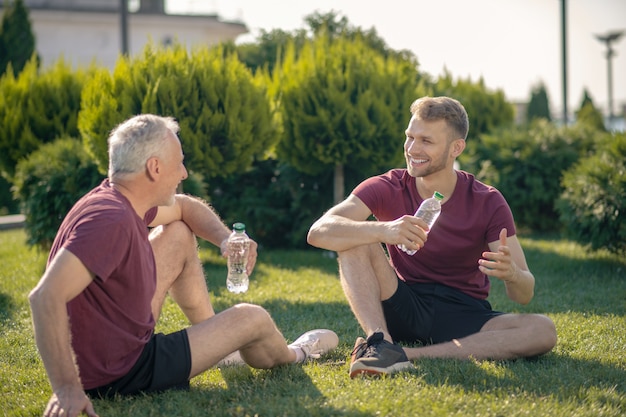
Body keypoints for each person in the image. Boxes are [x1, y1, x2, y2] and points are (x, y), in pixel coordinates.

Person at [28, 114, 338, 417]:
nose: (184, 173)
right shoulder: (111, 220)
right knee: (252, 318)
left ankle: (223, 352)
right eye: (179, 162)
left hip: (117, 343)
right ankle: (297, 354)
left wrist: (225, 240)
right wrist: (67, 387)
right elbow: (45, 297)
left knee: (177, 233)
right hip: (122, 370)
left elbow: (186, 208)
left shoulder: (120, 200)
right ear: (155, 168)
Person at [307, 96, 557, 378]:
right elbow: (319, 232)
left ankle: (401, 353)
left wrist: (512, 274)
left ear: (456, 148)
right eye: (410, 137)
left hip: (464, 312)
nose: (413, 148)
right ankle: (379, 339)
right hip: (403, 303)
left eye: (426, 141)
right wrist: (382, 229)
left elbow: (524, 294)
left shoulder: (488, 200)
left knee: (542, 330)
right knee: (355, 239)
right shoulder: (388, 185)